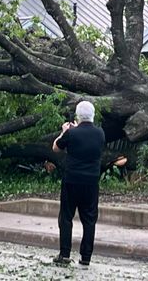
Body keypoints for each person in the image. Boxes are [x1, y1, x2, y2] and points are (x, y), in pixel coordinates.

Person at [51, 100, 105, 267]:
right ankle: (86, 256)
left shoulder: (72, 133)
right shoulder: (100, 133)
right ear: (93, 116)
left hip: (72, 180)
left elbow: (56, 148)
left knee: (66, 217)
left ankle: (65, 253)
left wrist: (64, 131)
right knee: (89, 219)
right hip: (91, 182)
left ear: (77, 116)